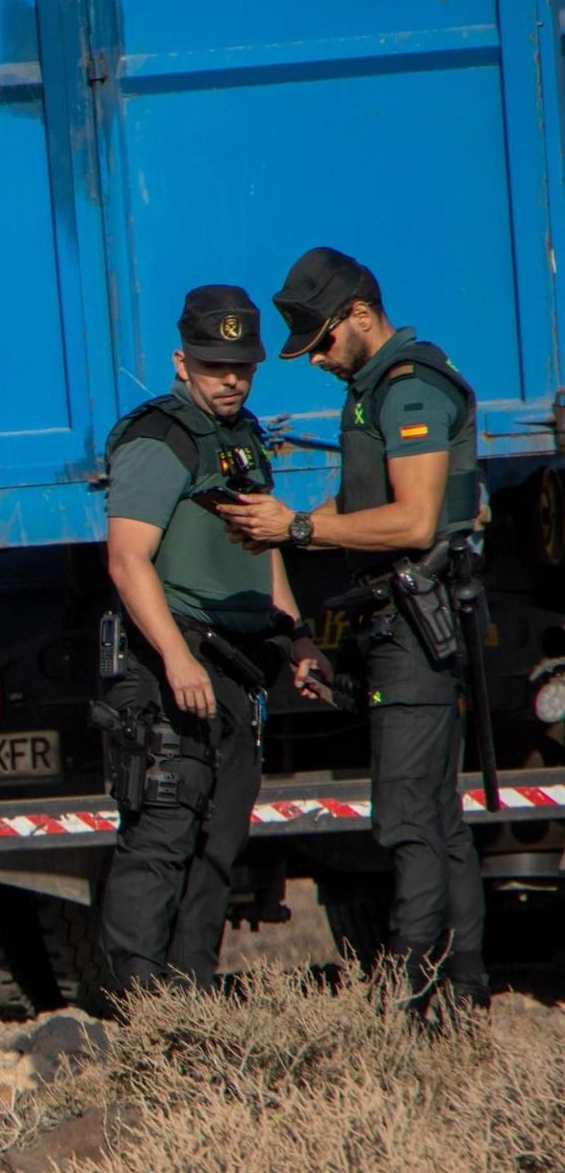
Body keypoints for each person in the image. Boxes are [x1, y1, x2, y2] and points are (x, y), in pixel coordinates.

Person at [224, 249, 487, 1006]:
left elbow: (413, 517)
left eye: (322, 344)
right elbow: (353, 499)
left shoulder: (408, 390)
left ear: (360, 316)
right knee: (437, 819)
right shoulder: (371, 386)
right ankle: (459, 995)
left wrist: (301, 530)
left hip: (416, 626)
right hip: (393, 621)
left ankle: (414, 996)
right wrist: (272, 527)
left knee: (409, 820)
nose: (318, 361)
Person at [99, 285, 327, 996]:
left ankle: (190, 1001)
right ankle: (136, 1010)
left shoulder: (244, 435)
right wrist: (174, 656)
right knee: (163, 834)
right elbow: (126, 558)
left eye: (242, 366)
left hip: (238, 665)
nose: (230, 377)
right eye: (213, 364)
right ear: (181, 360)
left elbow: (265, 550)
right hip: (175, 660)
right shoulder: (158, 437)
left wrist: (296, 639)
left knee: (219, 846)